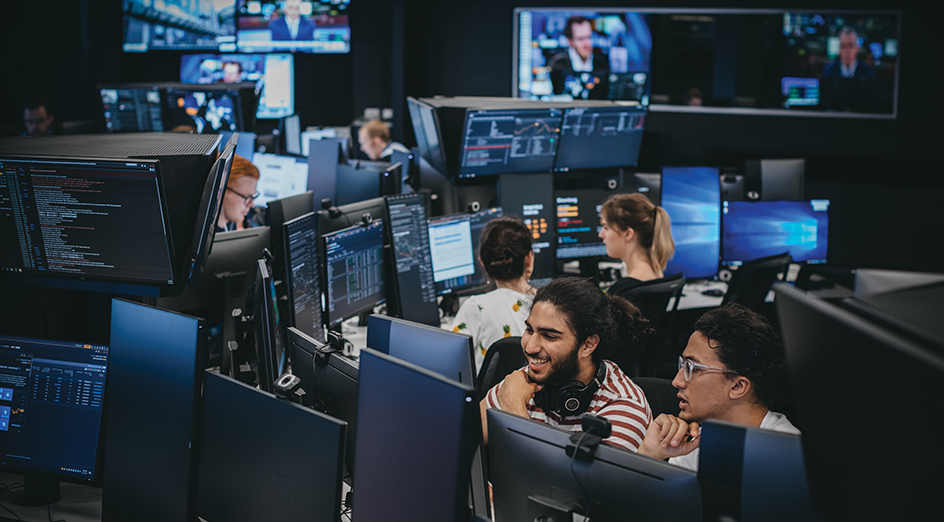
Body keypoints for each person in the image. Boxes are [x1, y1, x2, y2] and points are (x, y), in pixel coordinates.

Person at [481, 276, 654, 452]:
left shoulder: (625, 408)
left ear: (588, 344)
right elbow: (462, 440)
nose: (530, 347)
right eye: (529, 330)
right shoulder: (526, 380)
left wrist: (514, 411)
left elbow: (546, 479)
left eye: (549, 336)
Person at [636, 303, 799, 470]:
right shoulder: (699, 440)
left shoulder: (788, 459)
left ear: (737, 386)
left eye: (693, 368)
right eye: (682, 365)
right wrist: (650, 454)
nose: (677, 381)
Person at [451, 217, 536, 371]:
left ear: (482, 262)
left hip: (493, 395)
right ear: (529, 259)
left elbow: (449, 364)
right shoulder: (549, 305)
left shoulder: (476, 308)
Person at [598, 193, 675, 293]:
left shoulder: (621, 291)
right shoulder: (657, 276)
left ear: (628, 234)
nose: (601, 234)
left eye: (606, 228)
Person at [548, 16, 610, 100]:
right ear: (570, 41)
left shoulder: (602, 64)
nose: (586, 43)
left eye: (589, 37)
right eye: (581, 39)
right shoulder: (558, 65)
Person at [820, 26, 877, 112]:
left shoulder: (868, 71)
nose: (847, 51)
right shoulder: (829, 70)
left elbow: (871, 102)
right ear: (839, 48)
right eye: (843, 46)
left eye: (850, 46)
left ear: (857, 48)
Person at [217, 154, 260, 232]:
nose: (251, 204)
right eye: (246, 197)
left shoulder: (230, 225)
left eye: (253, 196)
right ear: (219, 191)